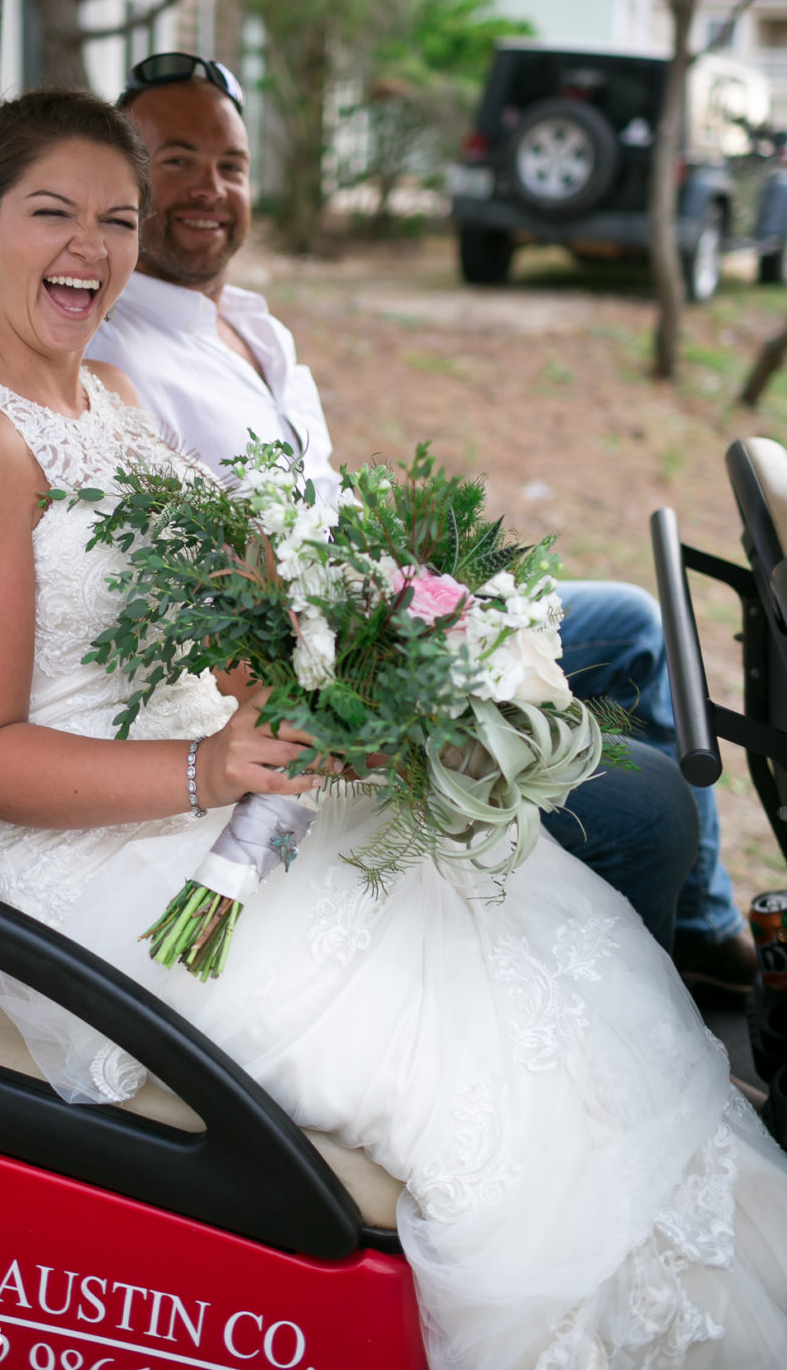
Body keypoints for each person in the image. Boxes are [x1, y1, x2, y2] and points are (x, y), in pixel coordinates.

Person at [0, 87, 787, 1369]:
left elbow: (193, 611)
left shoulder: (112, 401)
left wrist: (297, 674)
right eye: (51, 214)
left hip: (212, 782)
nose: (88, 247)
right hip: (95, 863)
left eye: (116, 219)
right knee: (485, 1050)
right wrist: (212, 760)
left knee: (549, 932)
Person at [88, 54, 753, 987]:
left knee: (637, 624)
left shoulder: (253, 324)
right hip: (314, 671)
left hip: (377, 607)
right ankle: (628, 997)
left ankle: (711, 934)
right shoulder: (116, 355)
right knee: (652, 807)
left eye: (232, 165)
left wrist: (435, 587)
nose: (211, 189)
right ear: (121, 180)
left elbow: (324, 502)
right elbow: (209, 604)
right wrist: (386, 650)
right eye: (177, 160)